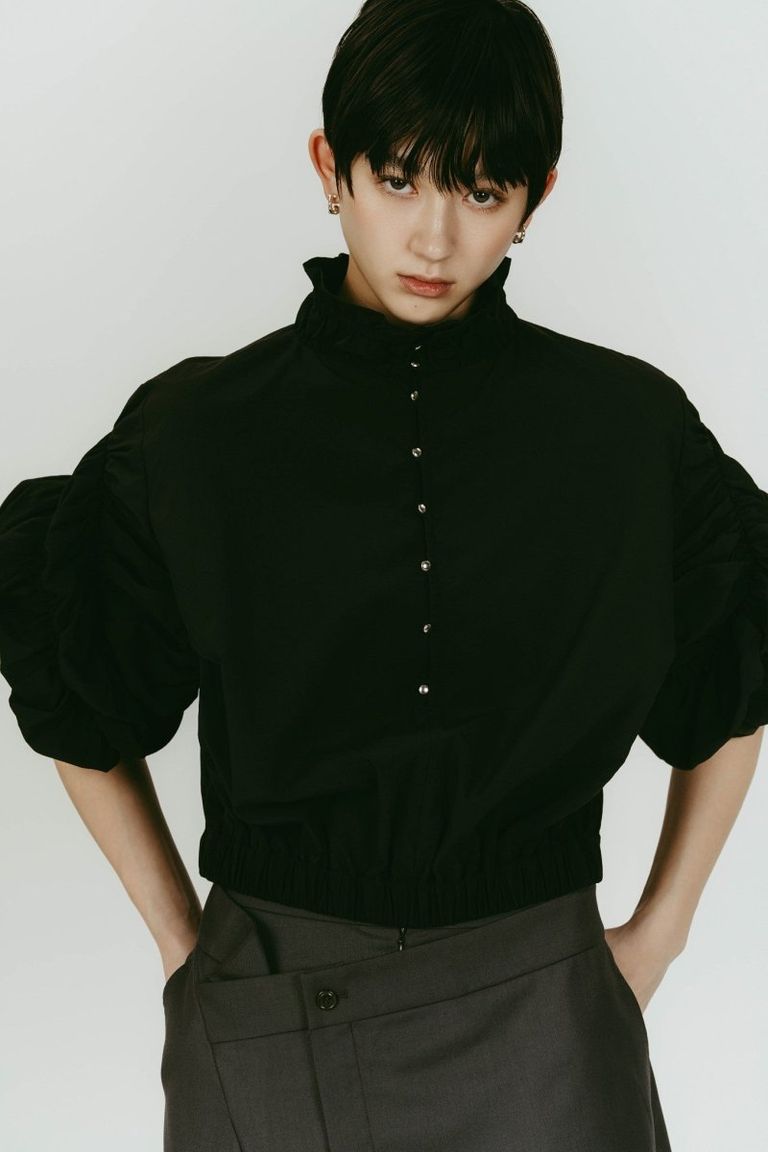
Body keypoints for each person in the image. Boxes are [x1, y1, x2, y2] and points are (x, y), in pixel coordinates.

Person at [0, 1, 765, 1149]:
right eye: (399, 180)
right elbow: (71, 679)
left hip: (548, 1015)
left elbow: (737, 662)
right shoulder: (200, 433)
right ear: (332, 168)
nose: (434, 238)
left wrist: (661, 935)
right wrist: (180, 943)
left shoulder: (626, 431)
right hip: (267, 1007)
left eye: (481, 192)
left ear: (537, 197)